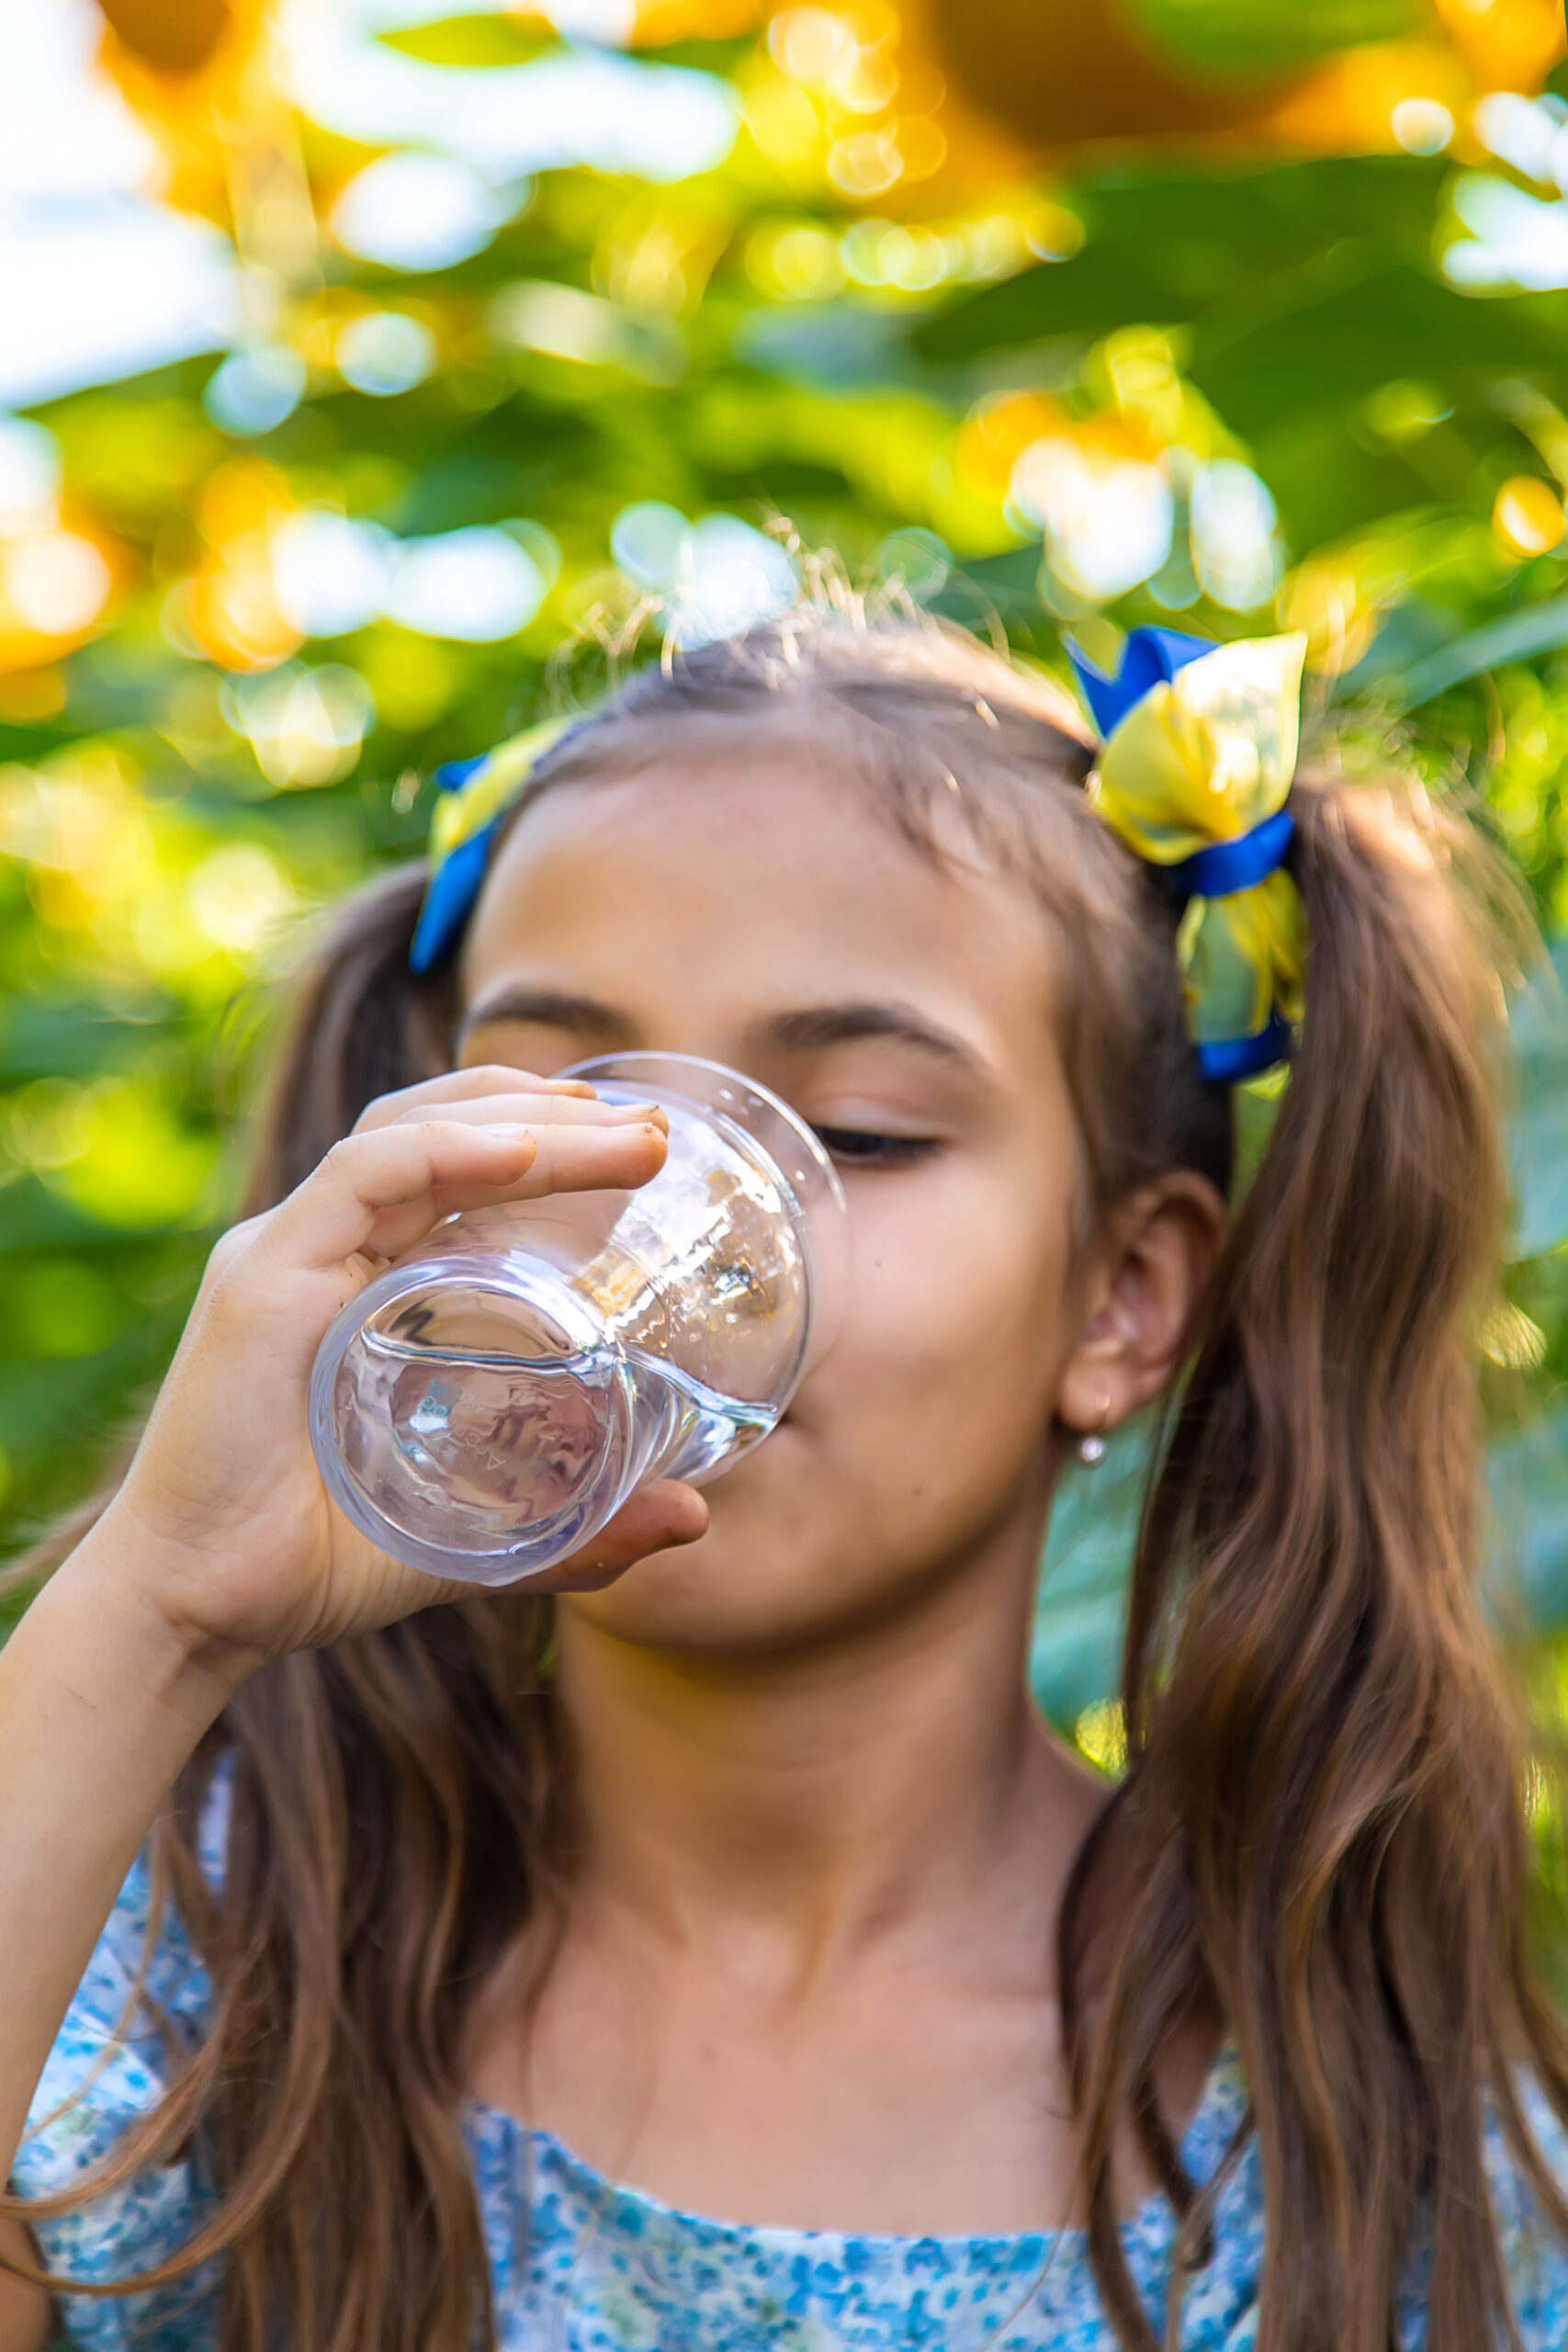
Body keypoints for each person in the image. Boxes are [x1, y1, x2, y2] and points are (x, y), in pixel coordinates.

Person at [2, 601, 1566, 2352]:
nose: (655, 1241)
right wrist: (153, 1612)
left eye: (861, 1135)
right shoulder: (176, 1958)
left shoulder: (1348, 2142)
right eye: (559, 1108)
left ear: (1122, 1300)